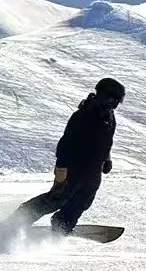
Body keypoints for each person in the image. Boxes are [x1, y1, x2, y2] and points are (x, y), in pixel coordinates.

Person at [12, 78, 126, 236]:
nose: (113, 104)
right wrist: (61, 169)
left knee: (83, 201)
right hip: (72, 168)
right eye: (110, 98)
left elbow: (106, 141)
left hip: (93, 170)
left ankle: (62, 225)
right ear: (100, 95)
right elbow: (65, 145)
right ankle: (17, 220)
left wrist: (107, 158)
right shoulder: (82, 117)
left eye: (117, 101)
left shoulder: (109, 118)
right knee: (56, 199)